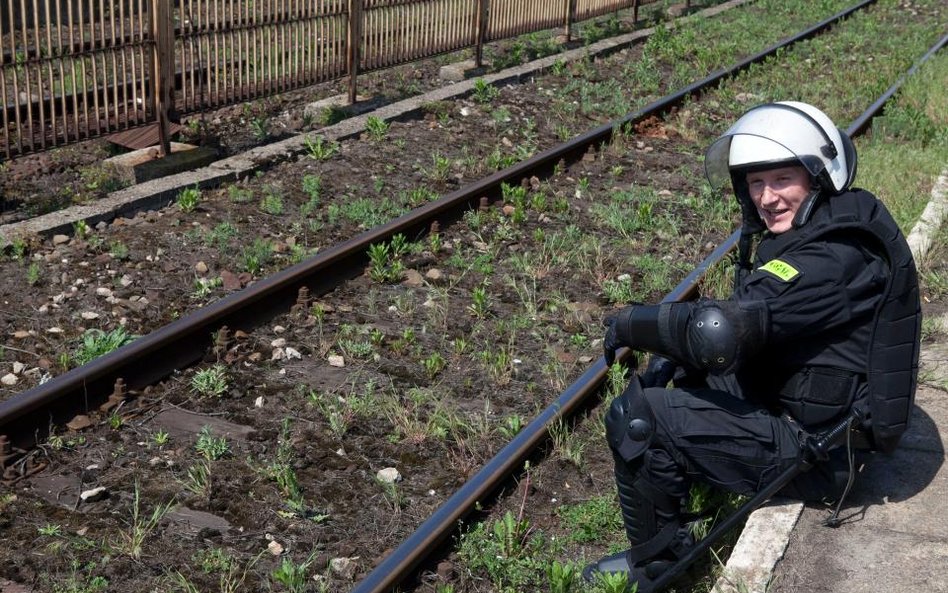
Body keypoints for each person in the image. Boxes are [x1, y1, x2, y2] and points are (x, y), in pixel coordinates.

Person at [582, 101, 921, 591]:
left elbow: (720, 330)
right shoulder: (826, 231)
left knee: (642, 418)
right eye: (755, 183)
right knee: (669, 372)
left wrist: (631, 322)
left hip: (822, 455)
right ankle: (677, 507)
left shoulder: (835, 259)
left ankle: (658, 570)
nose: (767, 197)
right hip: (806, 415)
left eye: (782, 179)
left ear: (819, 177)